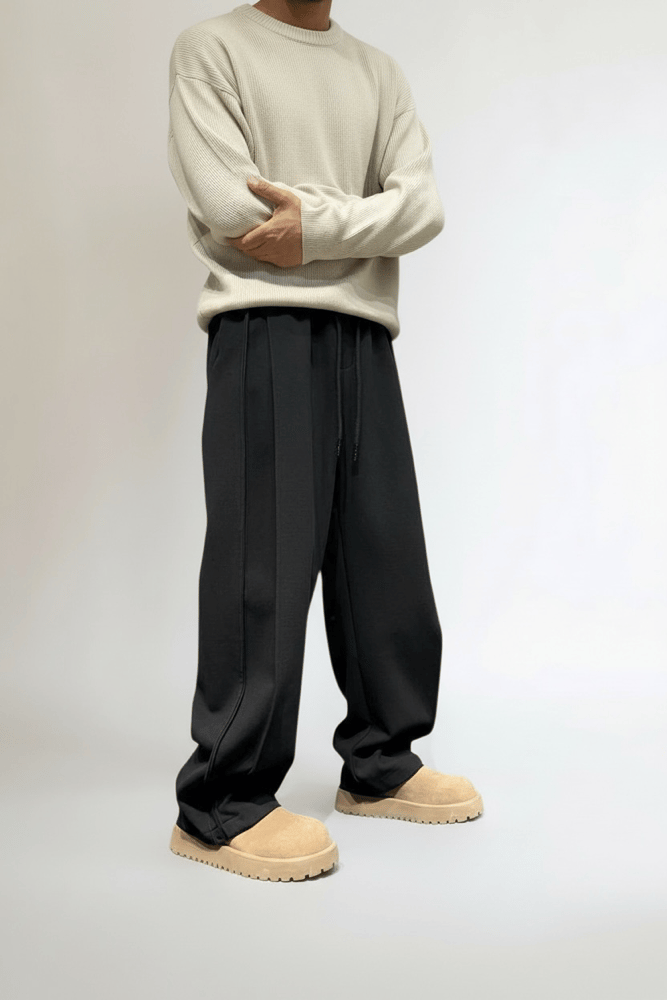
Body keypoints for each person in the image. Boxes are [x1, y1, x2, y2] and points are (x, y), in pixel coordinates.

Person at [166, 0, 483, 882]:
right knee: (262, 567)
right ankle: (221, 803)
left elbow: (423, 208)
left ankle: (380, 763)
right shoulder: (213, 49)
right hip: (262, 325)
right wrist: (365, 218)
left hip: (364, 334)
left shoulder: (376, 72)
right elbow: (232, 210)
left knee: (383, 555)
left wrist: (313, 226)